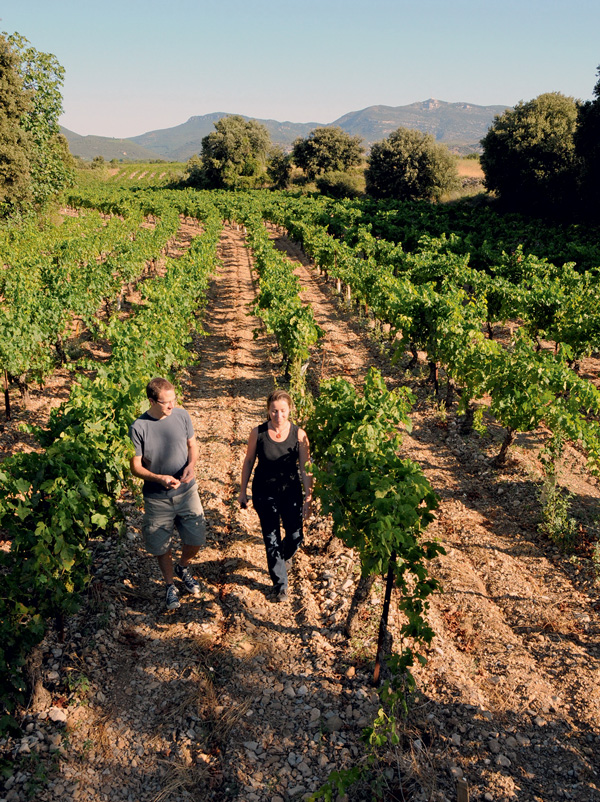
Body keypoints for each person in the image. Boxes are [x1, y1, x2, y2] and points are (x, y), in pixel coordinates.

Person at [129, 377, 206, 611]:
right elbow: (135, 466)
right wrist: (158, 478)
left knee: (196, 537)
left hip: (186, 491)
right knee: (162, 545)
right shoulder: (139, 427)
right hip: (156, 497)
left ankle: (183, 566)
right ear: (152, 401)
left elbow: (193, 445)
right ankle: (170, 585)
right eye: (166, 402)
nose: (172, 406)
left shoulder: (182, 416)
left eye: (174, 400)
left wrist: (192, 465)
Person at [238, 389, 313, 602]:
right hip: (264, 491)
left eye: (282, 411)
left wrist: (309, 495)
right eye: (273, 411)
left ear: (289, 410)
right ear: (268, 411)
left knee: (296, 535)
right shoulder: (258, 433)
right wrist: (243, 491)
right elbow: (249, 461)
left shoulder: (299, 435)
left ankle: (282, 556)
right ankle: (280, 585)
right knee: (271, 536)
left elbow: (306, 467)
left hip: (290, 491)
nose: (278, 416)